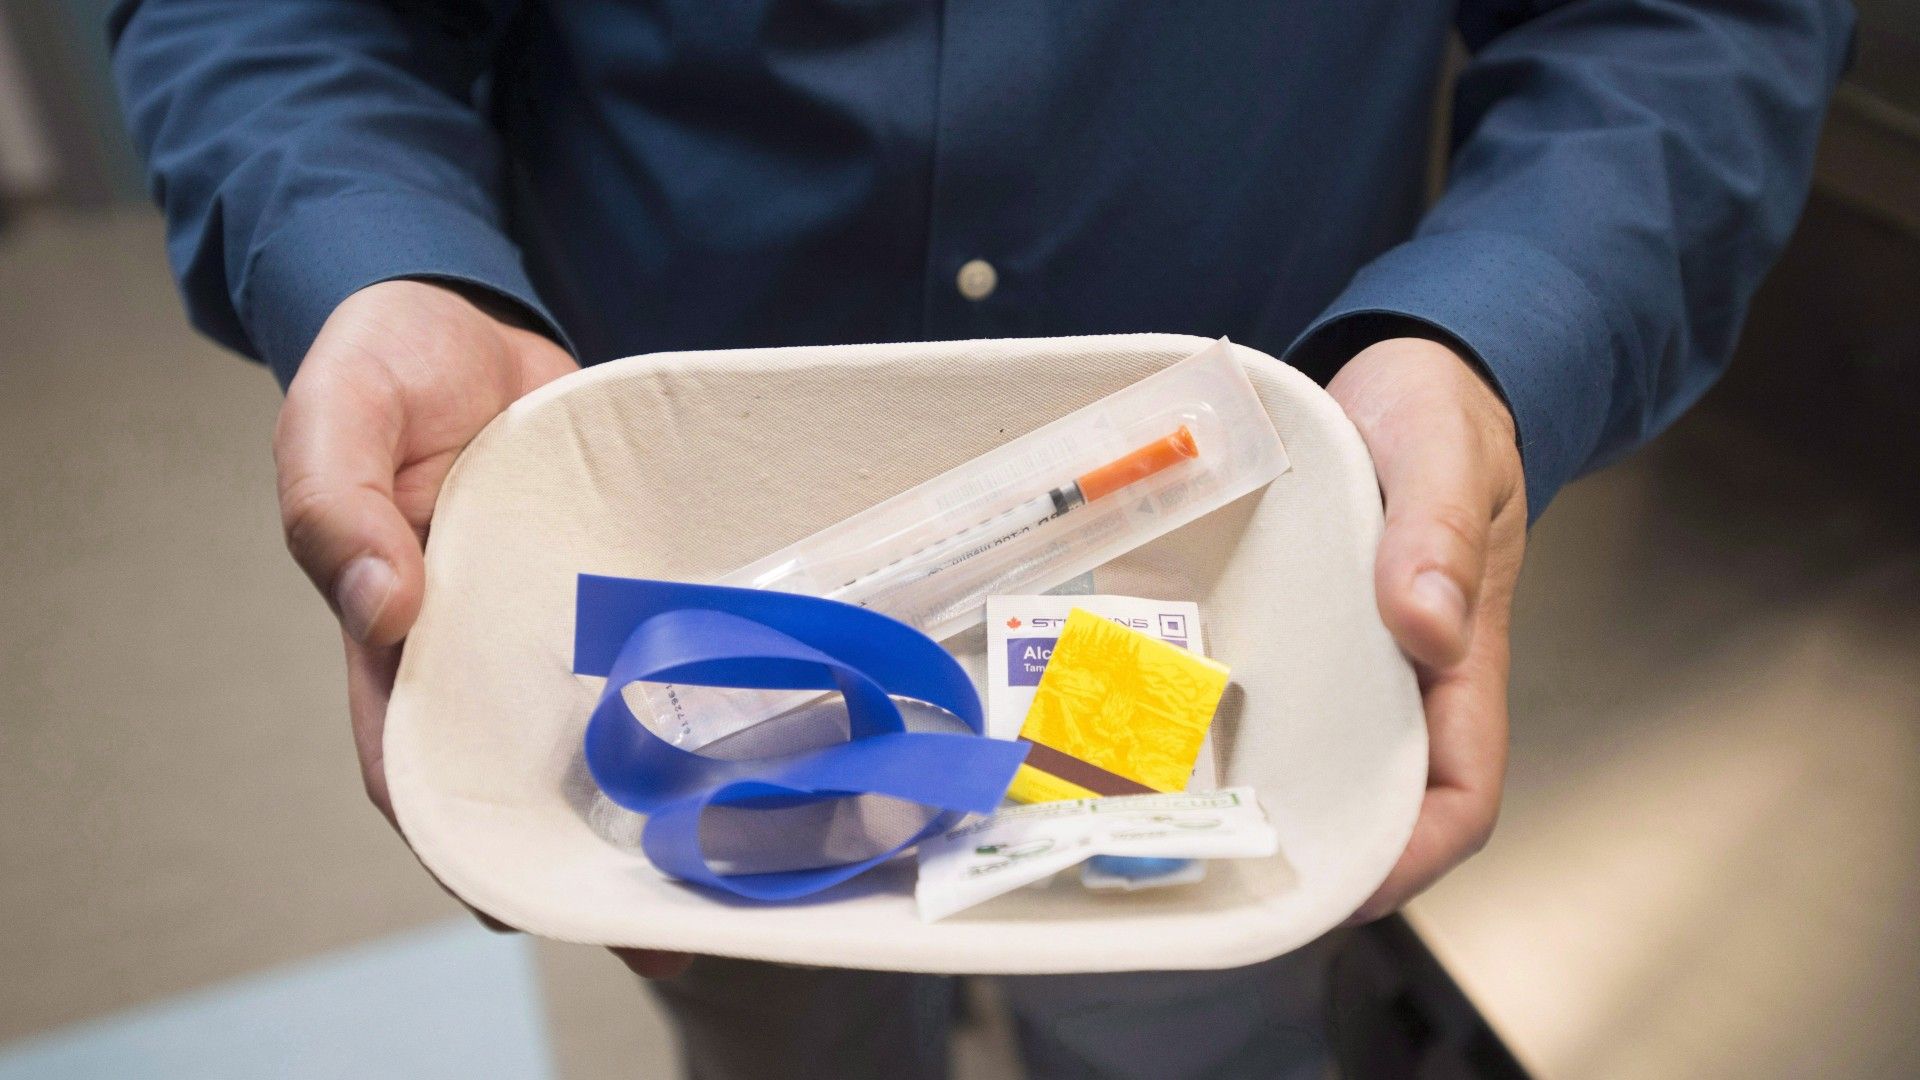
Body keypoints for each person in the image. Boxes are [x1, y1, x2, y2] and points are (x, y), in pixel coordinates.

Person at [109, 2, 1852, 1077]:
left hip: (1244, 602)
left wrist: (1492, 335)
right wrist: (377, 254)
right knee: (781, 1028)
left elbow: (1677, 18)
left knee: (1185, 1025)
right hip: (689, 592)